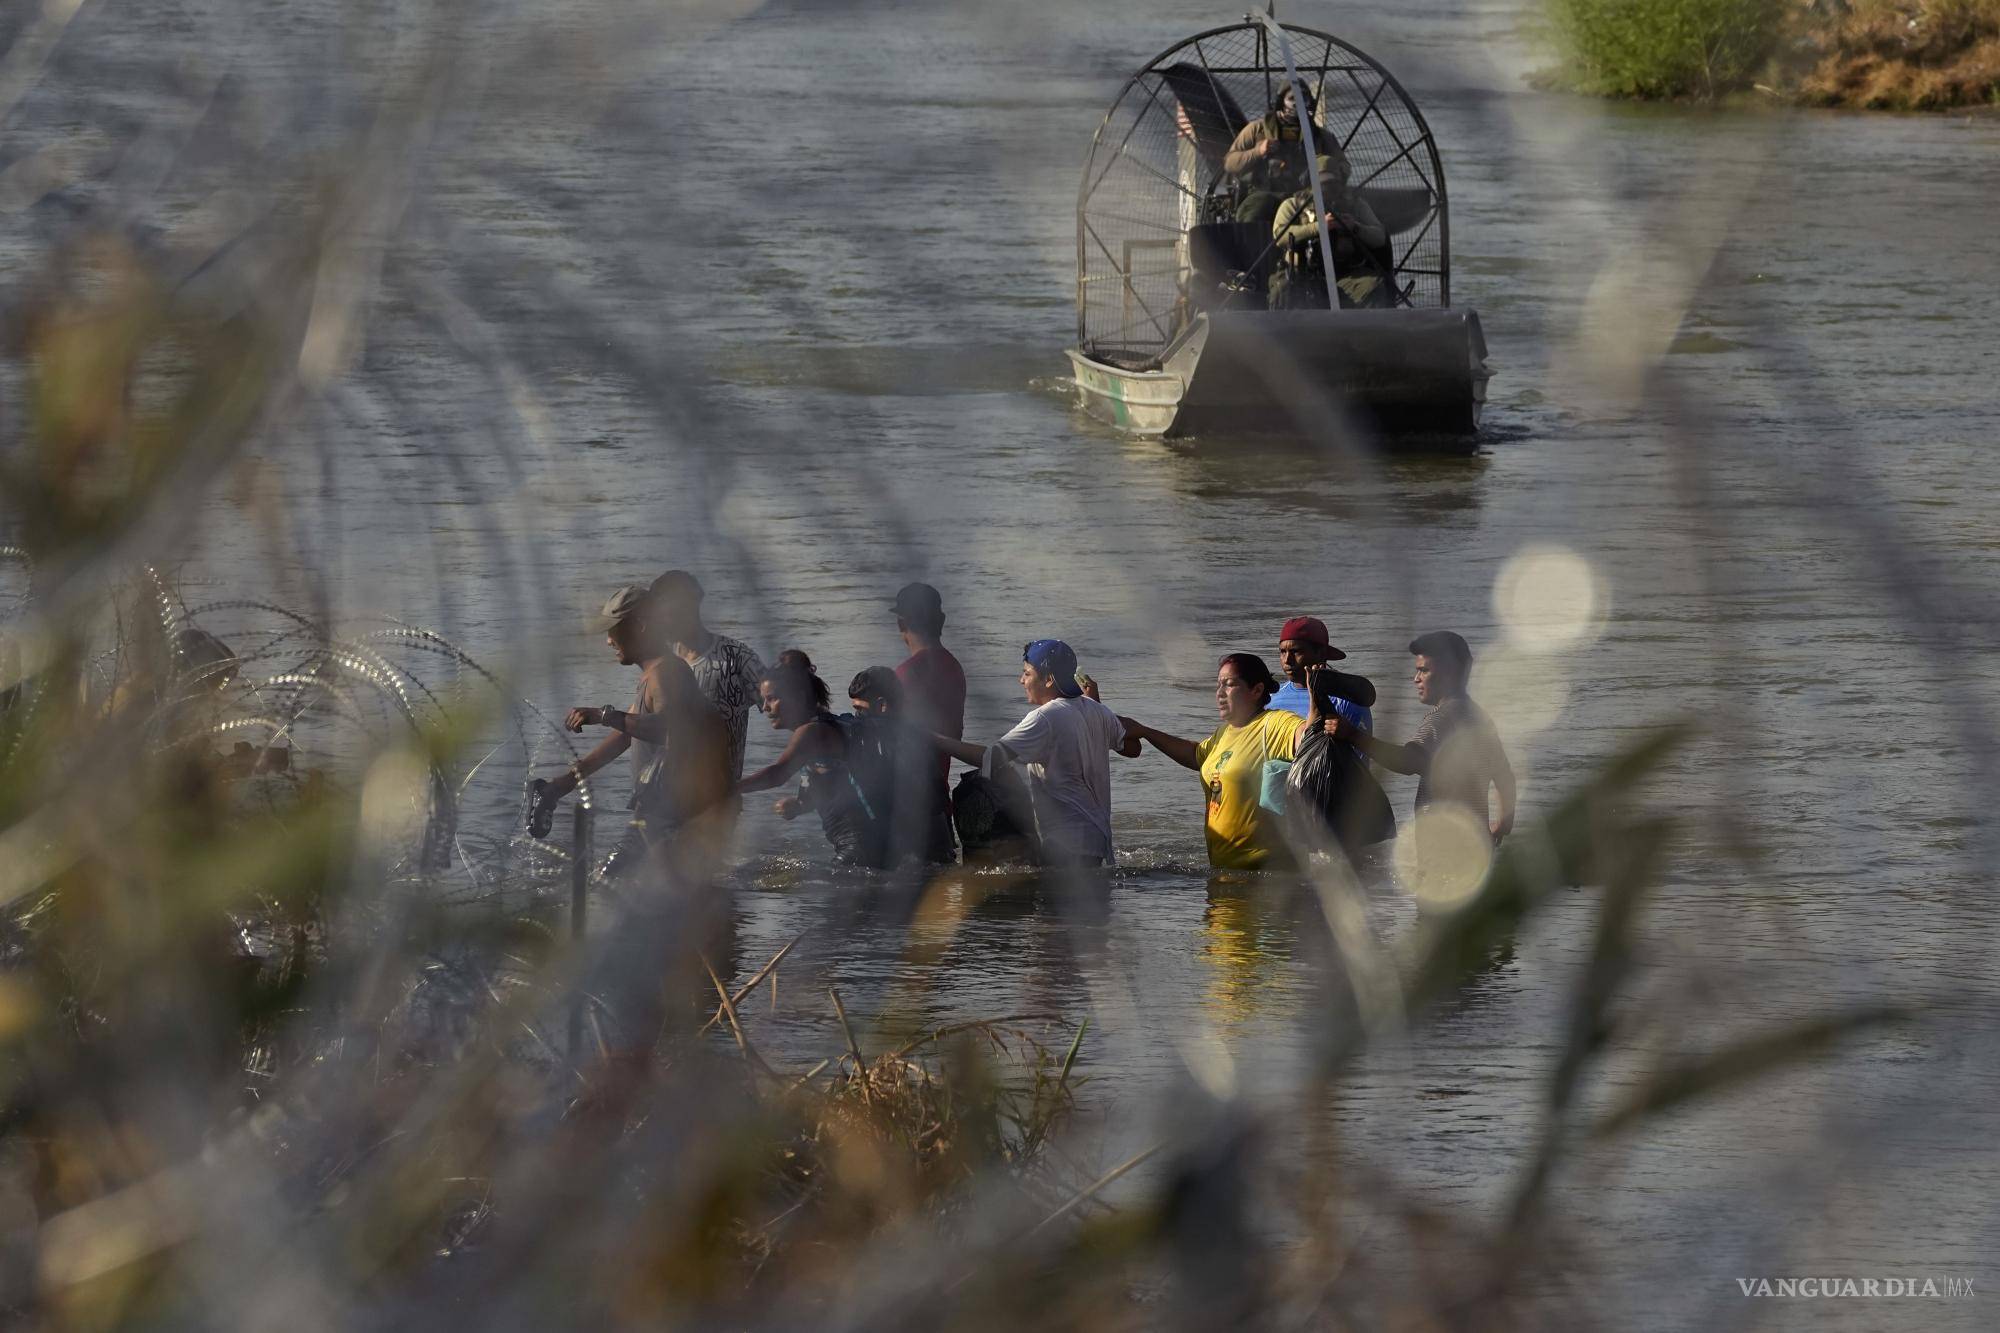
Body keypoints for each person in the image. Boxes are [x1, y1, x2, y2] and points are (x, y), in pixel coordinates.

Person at [526, 585, 734, 879]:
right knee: (664, 885)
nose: (609, 640)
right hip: (664, 810)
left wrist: (603, 715)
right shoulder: (656, 674)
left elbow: (669, 728)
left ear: (641, 626)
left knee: (607, 882)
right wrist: (563, 784)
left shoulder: (667, 674)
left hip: (667, 810)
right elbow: (626, 735)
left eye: (614, 630)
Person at [933, 640, 1138, 868]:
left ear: (1049, 679)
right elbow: (1133, 748)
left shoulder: (1044, 718)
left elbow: (991, 757)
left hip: (1066, 847)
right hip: (1097, 843)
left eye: (1027, 674)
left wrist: (937, 740)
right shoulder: (1097, 710)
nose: (1021, 681)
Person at [1120, 653, 1319, 871]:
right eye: (1218, 685)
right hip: (1224, 872)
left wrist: (1316, 699)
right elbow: (1196, 755)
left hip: (1270, 876)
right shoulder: (1224, 733)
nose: (1220, 693)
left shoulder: (1273, 724)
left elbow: (1309, 737)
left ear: (1257, 690)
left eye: (1230, 685)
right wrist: (1145, 732)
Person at [1330, 631, 1515, 844]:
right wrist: (1504, 824)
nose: (1416, 678)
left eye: (1423, 670)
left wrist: (1353, 735)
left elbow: (1409, 761)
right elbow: (1504, 776)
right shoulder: (1479, 716)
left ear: (1450, 673)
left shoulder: (1442, 719)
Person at [740, 651, 894, 868]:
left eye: (771, 698)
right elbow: (839, 786)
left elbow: (777, 774)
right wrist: (800, 805)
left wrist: (729, 788)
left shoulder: (811, 732)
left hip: (858, 846)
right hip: (870, 843)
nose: (764, 708)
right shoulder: (828, 724)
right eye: (763, 700)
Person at [648, 570, 766, 782]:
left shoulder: (735, 657)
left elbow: (786, 707)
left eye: (664, 611)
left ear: (690, 605)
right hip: (664, 795)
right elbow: (637, 724)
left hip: (716, 799)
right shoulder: (660, 663)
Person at [848, 665, 956, 865]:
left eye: (860, 710)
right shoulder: (908, 732)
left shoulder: (901, 740)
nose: (856, 717)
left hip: (919, 850)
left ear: (882, 706)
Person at [1269, 154, 1391, 310]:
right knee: (1282, 290)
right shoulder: (1293, 204)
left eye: (1332, 184)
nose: (1327, 189)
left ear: (1340, 182)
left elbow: (1379, 236)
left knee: (1373, 287)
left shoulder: (1355, 205)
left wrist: (1354, 227)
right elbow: (1279, 235)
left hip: (1345, 274)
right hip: (1302, 274)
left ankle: (1368, 332)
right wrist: (1319, 227)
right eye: (1323, 183)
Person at [890, 581, 966, 786]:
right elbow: (955, 735)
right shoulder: (954, 667)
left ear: (901, 624)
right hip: (938, 793)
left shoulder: (906, 673)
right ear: (941, 620)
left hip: (907, 798)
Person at [1223, 82, 1323, 230]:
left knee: (1321, 215)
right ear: (1280, 101)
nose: (1298, 103)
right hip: (1263, 192)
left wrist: (1325, 168)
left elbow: (1341, 165)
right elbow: (1230, 163)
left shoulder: (1318, 135)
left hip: (1303, 195)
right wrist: (1258, 151)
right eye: (1292, 98)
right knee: (1255, 213)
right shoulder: (1257, 129)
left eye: (1303, 98)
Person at [1271, 616, 1375, 739]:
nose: (1287, 660)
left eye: (1296, 651)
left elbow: (1361, 756)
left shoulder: (1347, 701)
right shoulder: (1271, 698)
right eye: (1283, 652)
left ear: (1320, 653)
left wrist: (1349, 736)